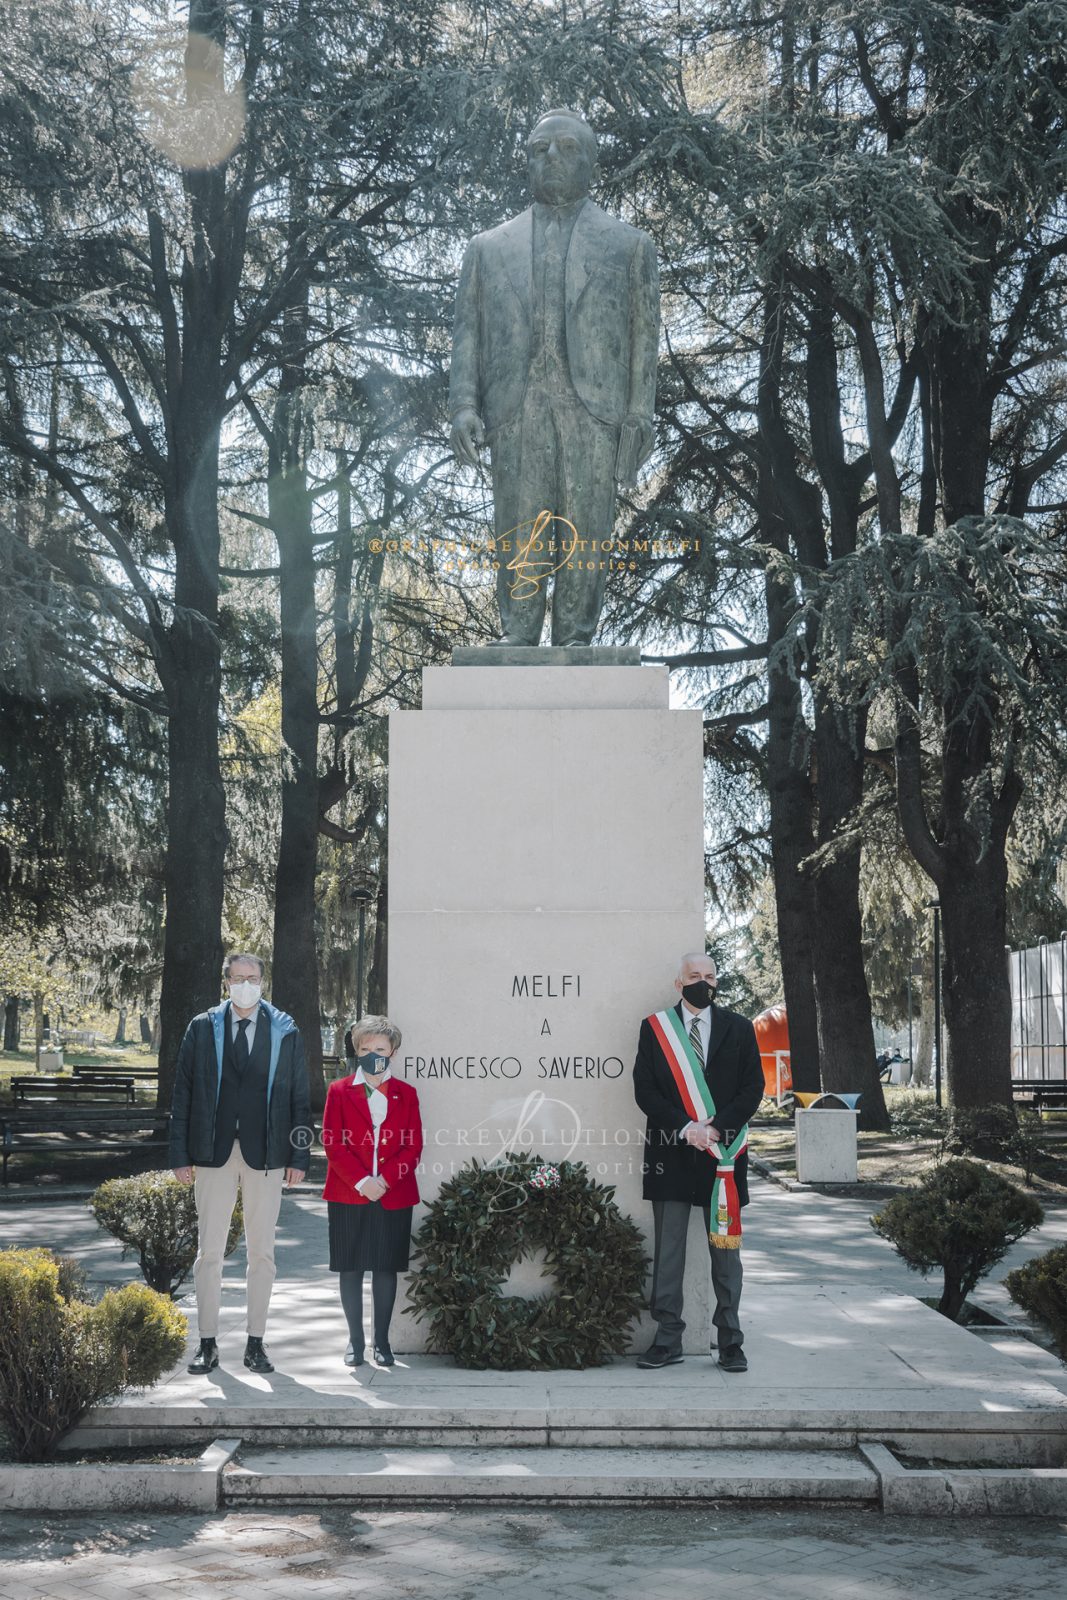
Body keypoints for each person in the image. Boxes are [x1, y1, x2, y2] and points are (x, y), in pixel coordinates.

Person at [449, 108, 659, 647]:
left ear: (591, 161)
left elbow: (643, 336)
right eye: (540, 149)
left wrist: (640, 413)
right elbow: (468, 332)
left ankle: (575, 637)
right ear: (526, 161)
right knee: (519, 522)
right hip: (516, 407)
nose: (553, 159)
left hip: (595, 408)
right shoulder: (488, 248)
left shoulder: (629, 245)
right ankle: (517, 632)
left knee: (586, 526)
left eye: (568, 148)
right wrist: (463, 406)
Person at [170, 952, 311, 1376]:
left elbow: (299, 1099)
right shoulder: (202, 1027)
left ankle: (255, 1342)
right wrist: (179, 1154)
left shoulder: (285, 1030)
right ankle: (208, 1343)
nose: (245, 984)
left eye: (252, 977)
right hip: (211, 1152)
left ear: (263, 981)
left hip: (266, 1155)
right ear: (226, 981)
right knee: (208, 1252)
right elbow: (183, 1093)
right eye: (238, 977)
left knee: (262, 1254)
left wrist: (299, 1155)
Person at [632, 953, 764, 1373]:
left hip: (723, 1158)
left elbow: (752, 1088)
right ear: (679, 983)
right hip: (672, 1152)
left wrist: (716, 1128)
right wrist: (687, 1127)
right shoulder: (656, 1029)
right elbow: (645, 1090)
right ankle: (667, 1338)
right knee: (669, 1253)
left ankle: (730, 1342)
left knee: (726, 1257)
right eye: (694, 977)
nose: (702, 983)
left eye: (709, 977)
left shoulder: (739, 1029)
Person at [321, 1014, 423, 1368]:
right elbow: (333, 1143)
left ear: (392, 1051)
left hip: (393, 1194)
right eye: (366, 1048)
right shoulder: (338, 1091)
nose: (373, 1053)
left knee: (385, 1267)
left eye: (380, 1048)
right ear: (357, 1050)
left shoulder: (406, 1094)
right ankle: (356, 1343)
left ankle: (382, 1342)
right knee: (350, 1267)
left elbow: (413, 1147)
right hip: (348, 1192)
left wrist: (385, 1181)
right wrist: (364, 1181)